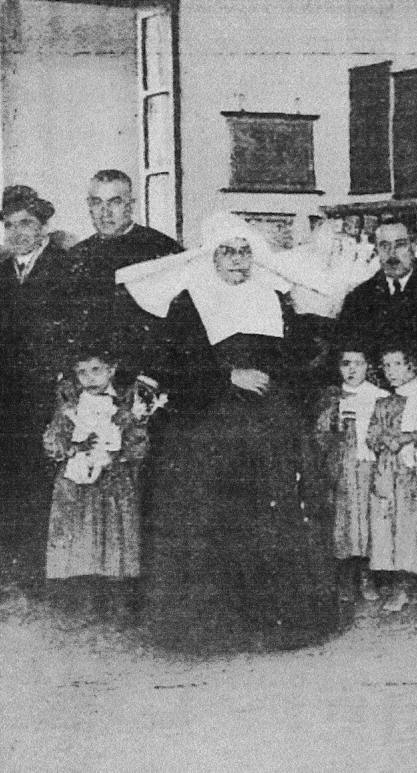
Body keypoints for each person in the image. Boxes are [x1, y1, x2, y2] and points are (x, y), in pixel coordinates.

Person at [133, 213, 337, 651]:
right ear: (212, 256)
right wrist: (227, 376)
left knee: (273, 511)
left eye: (245, 251)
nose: (238, 260)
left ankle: (275, 620)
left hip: (267, 422)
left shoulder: (273, 296)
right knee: (213, 512)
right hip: (208, 421)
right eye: (228, 251)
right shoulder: (189, 302)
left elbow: (295, 358)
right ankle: (215, 627)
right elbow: (173, 365)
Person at [42, 347, 150, 620]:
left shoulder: (125, 405)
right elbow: (53, 440)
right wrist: (76, 446)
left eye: (96, 370)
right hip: (77, 484)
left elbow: (138, 441)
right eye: (81, 372)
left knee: (114, 534)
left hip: (113, 482)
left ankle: (119, 600)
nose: (89, 378)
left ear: (111, 369)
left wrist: (117, 455)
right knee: (81, 534)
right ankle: (84, 600)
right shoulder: (71, 405)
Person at [0, 185, 75, 545]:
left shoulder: (67, 268)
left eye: (26, 223)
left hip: (49, 392)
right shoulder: (2, 271)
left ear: (44, 226)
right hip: (8, 395)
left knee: (47, 477)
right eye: (9, 225)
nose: (17, 233)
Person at [68, 170, 182, 381]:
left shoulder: (161, 249)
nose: (105, 213)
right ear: (89, 206)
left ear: (131, 204)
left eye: (115, 202)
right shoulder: (76, 256)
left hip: (150, 376)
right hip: (92, 381)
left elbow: (183, 327)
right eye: (97, 202)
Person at [312, 343, 389, 603]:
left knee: (369, 519)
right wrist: (335, 422)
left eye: (358, 363)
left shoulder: (380, 396)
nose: (352, 369)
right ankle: (345, 576)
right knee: (343, 520)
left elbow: (388, 433)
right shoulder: (331, 398)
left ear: (368, 367)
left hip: (370, 468)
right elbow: (320, 436)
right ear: (338, 368)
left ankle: (367, 575)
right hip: (342, 468)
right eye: (346, 364)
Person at [365, 343, 417, 613]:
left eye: (397, 364)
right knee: (390, 528)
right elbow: (372, 435)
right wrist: (387, 439)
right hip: (389, 470)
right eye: (386, 366)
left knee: (416, 527)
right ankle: (401, 587)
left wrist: (406, 438)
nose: (391, 371)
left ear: (412, 366)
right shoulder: (384, 402)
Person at [338, 218, 417, 361]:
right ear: (376, 249)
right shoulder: (358, 299)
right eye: (384, 246)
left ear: (413, 246)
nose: (392, 253)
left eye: (400, 245)